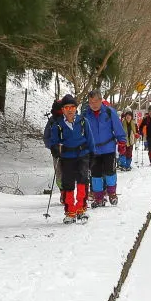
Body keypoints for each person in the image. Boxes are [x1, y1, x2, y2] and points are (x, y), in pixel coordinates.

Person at [48, 94, 94, 223]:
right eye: (66, 107)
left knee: (82, 181)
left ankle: (81, 209)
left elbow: (90, 139)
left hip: (82, 155)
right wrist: (55, 149)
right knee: (67, 184)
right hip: (67, 158)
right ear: (62, 109)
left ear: (76, 108)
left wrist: (93, 154)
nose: (70, 110)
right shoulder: (58, 125)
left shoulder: (83, 121)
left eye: (72, 107)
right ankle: (70, 211)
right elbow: (53, 141)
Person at [82, 90, 127, 206]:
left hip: (108, 148)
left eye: (96, 101)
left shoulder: (109, 112)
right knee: (95, 174)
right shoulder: (85, 115)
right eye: (91, 102)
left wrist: (122, 143)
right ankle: (98, 198)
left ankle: (112, 194)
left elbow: (118, 128)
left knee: (110, 172)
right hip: (93, 150)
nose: (94, 104)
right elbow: (81, 133)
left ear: (101, 100)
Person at [43, 97, 65, 204]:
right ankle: (63, 192)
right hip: (56, 152)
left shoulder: (71, 118)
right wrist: (52, 147)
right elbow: (46, 137)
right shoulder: (52, 121)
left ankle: (68, 193)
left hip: (70, 151)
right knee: (59, 174)